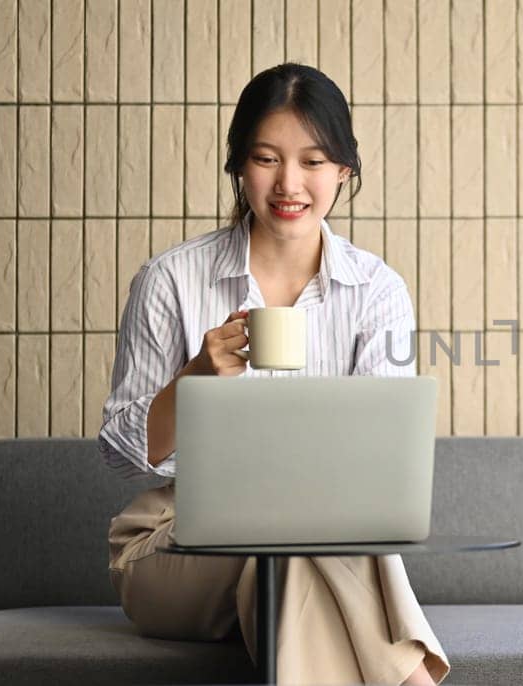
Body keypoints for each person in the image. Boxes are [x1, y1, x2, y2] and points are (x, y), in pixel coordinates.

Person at [96, 63, 446, 686]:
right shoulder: (170, 281)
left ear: (344, 169)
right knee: (306, 550)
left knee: (296, 548)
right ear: (237, 165)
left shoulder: (376, 291)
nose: (289, 183)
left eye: (313, 161)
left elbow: (383, 461)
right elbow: (124, 453)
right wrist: (198, 376)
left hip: (316, 541)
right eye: (266, 159)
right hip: (175, 544)